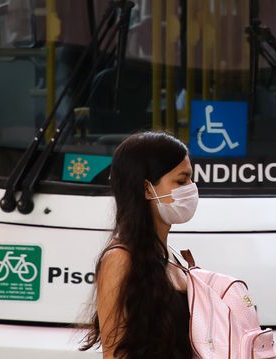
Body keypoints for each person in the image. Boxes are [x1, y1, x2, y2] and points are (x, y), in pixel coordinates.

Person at [80, 131, 197, 358]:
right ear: (146, 188)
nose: (191, 188)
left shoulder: (171, 255)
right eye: (181, 181)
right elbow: (115, 353)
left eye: (191, 179)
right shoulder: (120, 259)